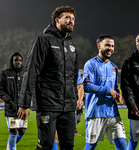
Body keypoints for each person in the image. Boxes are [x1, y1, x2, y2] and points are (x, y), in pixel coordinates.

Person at [17, 6, 79, 150]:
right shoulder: (43, 40)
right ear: (57, 20)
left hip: (68, 107)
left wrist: (75, 98)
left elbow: (74, 76)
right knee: (46, 145)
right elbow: (31, 71)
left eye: (73, 19)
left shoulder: (72, 46)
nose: (71, 21)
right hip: (48, 105)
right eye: (67, 18)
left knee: (68, 145)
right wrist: (24, 103)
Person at [83, 34, 127, 150]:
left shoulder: (114, 67)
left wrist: (117, 95)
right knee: (91, 146)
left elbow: (115, 88)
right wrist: (108, 90)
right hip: (95, 113)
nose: (110, 48)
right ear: (99, 46)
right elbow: (87, 86)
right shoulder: (90, 64)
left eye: (112, 46)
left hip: (112, 113)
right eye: (107, 45)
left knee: (122, 144)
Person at [0, 52, 27, 150]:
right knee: (13, 131)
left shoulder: (25, 73)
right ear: (12, 61)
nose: (18, 62)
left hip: (23, 107)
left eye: (20, 60)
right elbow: (0, 89)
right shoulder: (5, 73)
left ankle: (9, 146)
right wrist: (9, 100)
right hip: (11, 108)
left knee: (22, 131)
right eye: (16, 60)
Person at [52, 71, 84, 149]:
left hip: (69, 107)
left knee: (68, 138)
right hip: (54, 105)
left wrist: (79, 101)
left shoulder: (73, 67)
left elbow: (80, 86)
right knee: (53, 136)